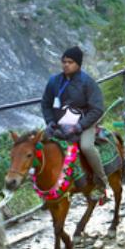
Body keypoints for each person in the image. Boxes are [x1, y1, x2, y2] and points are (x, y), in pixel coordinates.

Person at [42, 46, 107, 201]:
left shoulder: (87, 83)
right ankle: (45, 187)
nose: (66, 65)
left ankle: (101, 182)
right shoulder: (54, 81)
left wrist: (80, 126)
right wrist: (50, 121)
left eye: (70, 62)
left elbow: (97, 109)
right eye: (64, 61)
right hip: (59, 125)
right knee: (39, 146)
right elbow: (46, 103)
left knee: (86, 147)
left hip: (83, 124)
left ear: (78, 64)